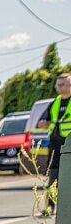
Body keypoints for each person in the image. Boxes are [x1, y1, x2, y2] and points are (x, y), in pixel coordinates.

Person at [38, 72, 71, 215]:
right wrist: (43, 123)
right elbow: (41, 122)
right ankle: (50, 206)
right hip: (55, 144)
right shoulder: (54, 103)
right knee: (54, 175)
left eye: (62, 84)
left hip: (70, 143)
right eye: (58, 84)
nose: (59, 87)